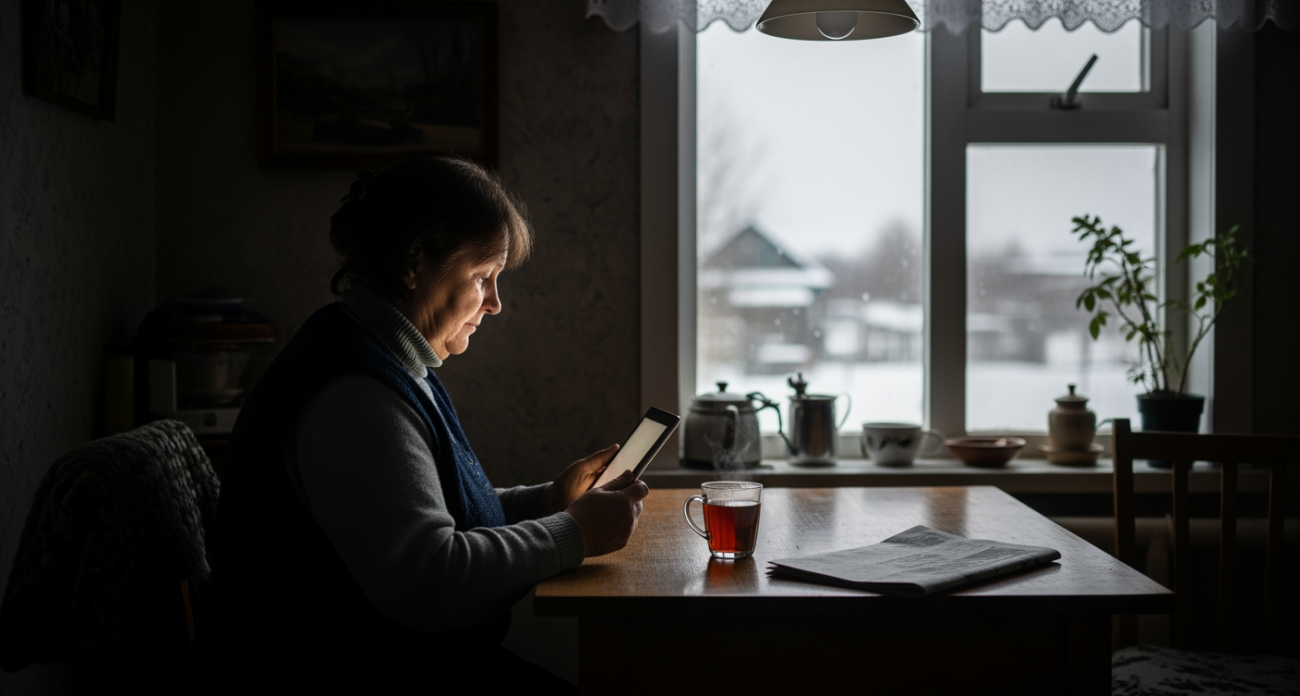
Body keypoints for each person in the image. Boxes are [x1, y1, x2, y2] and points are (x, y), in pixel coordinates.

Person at [201, 157, 648, 689]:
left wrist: (549, 501)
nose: (496, 303)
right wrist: (573, 533)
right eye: (483, 276)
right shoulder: (354, 395)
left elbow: (434, 517)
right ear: (414, 263)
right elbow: (429, 577)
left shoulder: (386, 355)